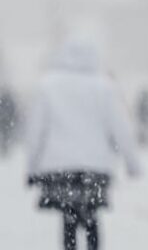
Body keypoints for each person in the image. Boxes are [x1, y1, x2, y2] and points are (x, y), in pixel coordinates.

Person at [26, 39, 140, 250]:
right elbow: (121, 128)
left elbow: (35, 131)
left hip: (60, 165)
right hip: (95, 166)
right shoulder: (105, 87)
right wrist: (132, 163)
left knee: (68, 215)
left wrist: (31, 168)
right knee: (91, 214)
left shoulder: (48, 85)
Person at [0, 85, 17, 157]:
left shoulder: (3, 101)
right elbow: (13, 111)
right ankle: (5, 148)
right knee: (6, 136)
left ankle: (5, 148)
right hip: (7, 122)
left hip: (5, 122)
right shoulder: (9, 101)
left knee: (5, 135)